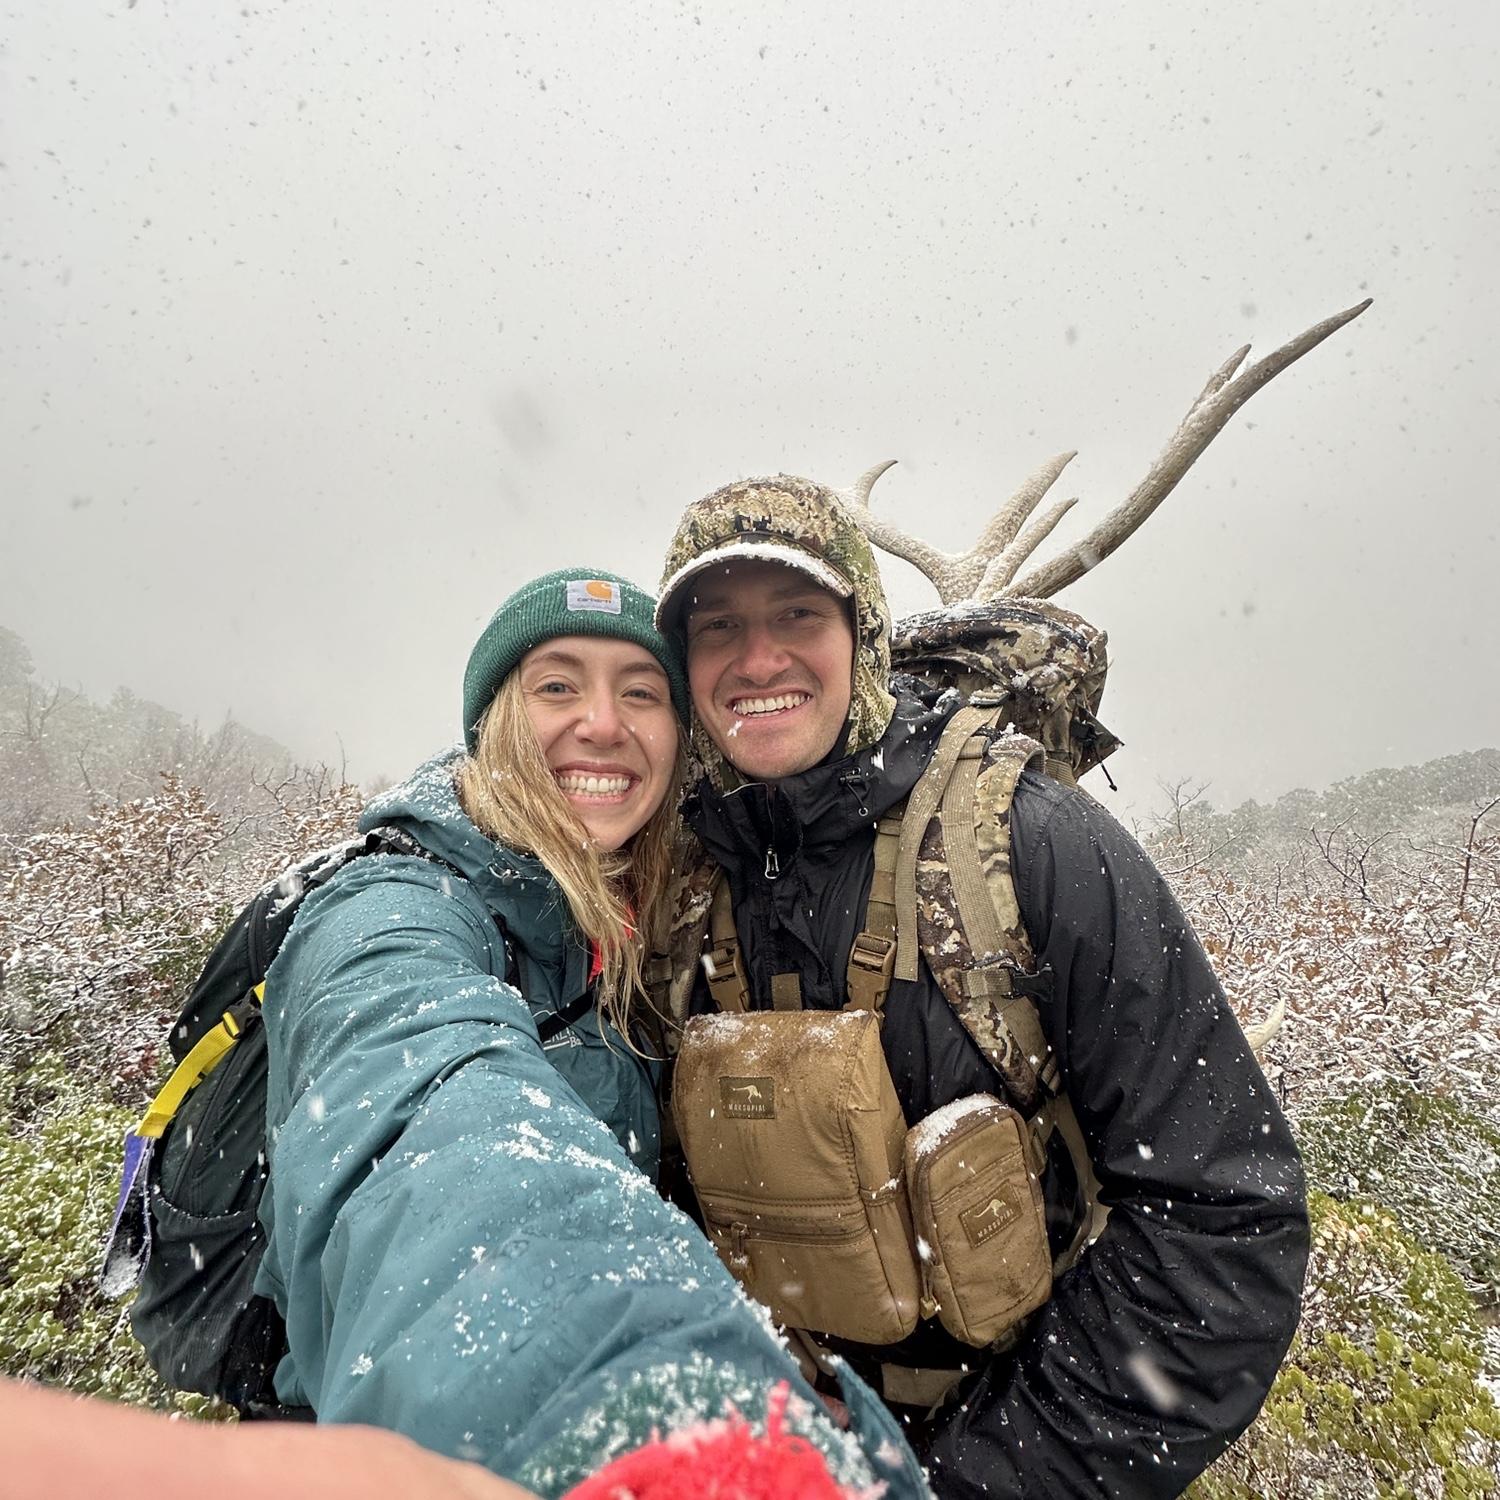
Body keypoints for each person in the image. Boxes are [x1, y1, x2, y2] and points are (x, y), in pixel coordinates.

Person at [653, 478, 1310, 1498]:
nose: (759, 658)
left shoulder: (1032, 845)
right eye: (718, 626)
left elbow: (1220, 1220)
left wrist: (972, 1478)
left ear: (865, 636)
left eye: (798, 614)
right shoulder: (677, 886)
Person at [254, 568, 931, 1499]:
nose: (604, 724)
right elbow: (433, 1127)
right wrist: (637, 1428)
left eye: (642, 693)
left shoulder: (627, 918)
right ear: (495, 720)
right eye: (557, 685)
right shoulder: (390, 911)